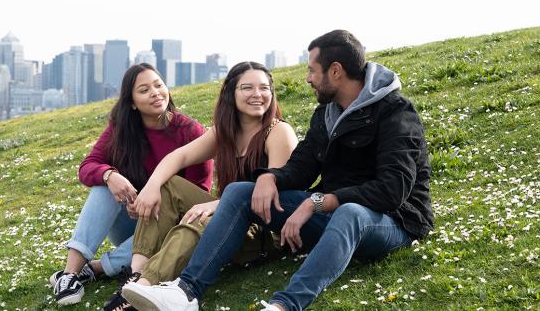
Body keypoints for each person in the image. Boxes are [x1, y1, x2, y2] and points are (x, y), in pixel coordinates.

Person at [122, 30, 433, 311]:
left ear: (335, 71)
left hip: (392, 223)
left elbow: (392, 191)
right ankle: (185, 293)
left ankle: (283, 306)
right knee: (240, 191)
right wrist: (270, 178)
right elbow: (302, 166)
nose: (308, 78)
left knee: (350, 212)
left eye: (312, 69)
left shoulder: (396, 112)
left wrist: (318, 202)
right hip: (332, 215)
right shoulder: (327, 112)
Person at [101, 62, 298, 311]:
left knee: (200, 218)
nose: (257, 94)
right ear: (231, 93)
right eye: (247, 87)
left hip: (263, 233)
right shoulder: (225, 132)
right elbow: (178, 157)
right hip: (229, 218)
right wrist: (151, 186)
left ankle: (146, 285)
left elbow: (269, 194)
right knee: (168, 185)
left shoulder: (279, 132)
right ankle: (136, 276)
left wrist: (216, 205)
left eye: (264, 88)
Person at [51, 63, 214, 306]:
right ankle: (70, 274)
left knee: (171, 228)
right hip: (129, 223)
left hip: (167, 225)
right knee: (102, 184)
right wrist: (110, 176)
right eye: (145, 90)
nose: (156, 93)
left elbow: (198, 193)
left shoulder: (189, 131)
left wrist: (154, 202)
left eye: (159, 85)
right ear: (132, 102)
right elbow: (88, 166)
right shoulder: (121, 128)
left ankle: (96, 269)